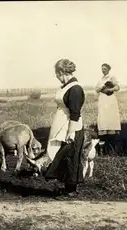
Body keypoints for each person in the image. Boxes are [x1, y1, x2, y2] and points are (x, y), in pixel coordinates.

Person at [41, 59, 87, 197]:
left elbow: (75, 114)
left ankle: (71, 190)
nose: (56, 76)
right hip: (62, 125)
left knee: (71, 157)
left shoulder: (75, 89)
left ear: (61, 72)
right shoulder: (66, 87)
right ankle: (67, 188)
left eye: (57, 73)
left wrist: (70, 132)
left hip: (72, 127)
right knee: (64, 156)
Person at [95, 63, 121, 155]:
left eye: (105, 68)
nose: (103, 70)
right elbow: (96, 89)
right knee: (103, 119)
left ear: (109, 69)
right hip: (103, 99)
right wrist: (101, 87)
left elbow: (118, 87)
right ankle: (103, 147)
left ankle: (111, 147)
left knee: (111, 118)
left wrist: (111, 89)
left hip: (110, 100)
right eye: (102, 68)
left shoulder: (112, 77)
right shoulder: (100, 79)